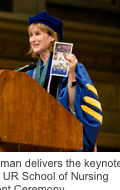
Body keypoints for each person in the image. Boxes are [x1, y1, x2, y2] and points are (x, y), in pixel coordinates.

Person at [26, 11, 102, 152]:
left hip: (64, 140)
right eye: (31, 35)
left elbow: (74, 107)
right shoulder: (30, 73)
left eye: (37, 34)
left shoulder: (69, 65)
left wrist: (71, 73)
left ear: (52, 37)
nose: (32, 39)